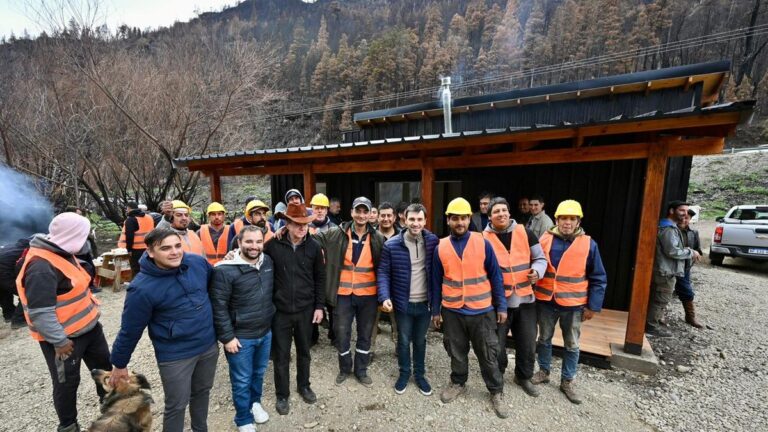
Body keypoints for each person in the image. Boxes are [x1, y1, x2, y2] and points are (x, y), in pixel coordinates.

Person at [110, 227, 218, 432]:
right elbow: (130, 330)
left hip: (208, 345)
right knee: (177, 405)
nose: (175, 252)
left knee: (202, 392)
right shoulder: (141, 288)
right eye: (166, 248)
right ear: (150, 252)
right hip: (175, 355)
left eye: (178, 246)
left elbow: (215, 288)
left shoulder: (197, 263)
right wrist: (119, 363)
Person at [16, 213, 111, 432]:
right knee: (67, 383)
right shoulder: (40, 266)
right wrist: (59, 341)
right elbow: (40, 312)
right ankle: (68, 425)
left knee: (104, 369)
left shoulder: (62, 251)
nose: (86, 240)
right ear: (71, 235)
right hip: (65, 339)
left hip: (90, 329)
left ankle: (110, 407)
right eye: (83, 235)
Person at [431, 198, 509, 419]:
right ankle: (458, 382)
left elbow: (496, 277)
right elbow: (435, 281)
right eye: (455, 218)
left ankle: (496, 390)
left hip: (481, 311)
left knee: (488, 353)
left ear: (469, 219)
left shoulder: (483, 243)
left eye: (463, 218)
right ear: (448, 220)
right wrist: (435, 310)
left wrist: (501, 306)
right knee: (456, 350)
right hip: (452, 311)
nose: (460, 222)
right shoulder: (441, 247)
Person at [531, 200, 607, 404]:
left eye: (572, 219)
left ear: (578, 221)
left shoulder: (589, 244)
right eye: (564, 218)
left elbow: (599, 277)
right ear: (556, 220)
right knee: (544, 339)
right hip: (546, 301)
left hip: (573, 305)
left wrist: (593, 306)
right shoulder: (544, 239)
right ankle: (544, 371)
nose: (567, 222)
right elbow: (534, 263)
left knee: (572, 344)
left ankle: (567, 380)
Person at [315, 197, 385, 387]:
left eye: (365, 211)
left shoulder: (378, 238)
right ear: (352, 212)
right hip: (343, 294)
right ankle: (345, 368)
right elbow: (312, 238)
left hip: (368, 296)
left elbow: (384, 267)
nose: (361, 215)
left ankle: (361, 370)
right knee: (341, 333)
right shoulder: (336, 234)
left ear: (370, 214)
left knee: (365, 333)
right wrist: (285, 230)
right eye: (358, 211)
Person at [210, 226, 275, 432]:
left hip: (265, 332)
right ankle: (243, 418)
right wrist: (227, 337)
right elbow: (218, 306)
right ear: (239, 243)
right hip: (240, 337)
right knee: (241, 379)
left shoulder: (267, 262)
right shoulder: (224, 270)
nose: (254, 246)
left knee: (259, 373)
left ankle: (255, 403)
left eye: (258, 242)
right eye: (249, 242)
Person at [483, 197, 548, 397]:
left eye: (504, 210)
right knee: (497, 344)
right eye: (496, 211)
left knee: (527, 343)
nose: (501, 214)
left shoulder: (525, 232)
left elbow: (540, 258)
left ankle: (523, 376)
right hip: (498, 302)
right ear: (489, 216)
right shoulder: (482, 239)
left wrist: (537, 271)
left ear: (509, 213)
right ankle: (498, 377)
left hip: (525, 300)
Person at [264, 203, 325, 415]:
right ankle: (282, 394)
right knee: (281, 355)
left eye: (305, 224)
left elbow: (320, 278)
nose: (302, 228)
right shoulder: (272, 246)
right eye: (297, 224)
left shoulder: (314, 247)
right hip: (280, 311)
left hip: (305, 310)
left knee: (304, 352)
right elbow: (252, 256)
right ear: (287, 224)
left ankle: (304, 386)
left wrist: (319, 306)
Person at [378, 203, 438, 396]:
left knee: (420, 340)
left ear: (425, 220)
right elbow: (383, 272)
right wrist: (384, 296)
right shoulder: (391, 245)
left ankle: (419, 375)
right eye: (412, 219)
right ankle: (404, 373)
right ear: (404, 219)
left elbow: (439, 271)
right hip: (403, 304)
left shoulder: (433, 242)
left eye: (419, 219)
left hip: (425, 304)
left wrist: (438, 304)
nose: (415, 223)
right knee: (403, 341)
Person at [646, 200, 700, 337]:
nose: (685, 214)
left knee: (658, 298)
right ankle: (651, 327)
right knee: (660, 299)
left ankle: (652, 324)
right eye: (682, 210)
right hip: (665, 271)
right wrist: (690, 252)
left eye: (687, 211)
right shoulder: (668, 229)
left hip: (664, 269)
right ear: (671, 211)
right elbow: (672, 251)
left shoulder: (669, 227)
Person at [675, 209, 704, 328]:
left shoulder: (693, 233)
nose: (684, 220)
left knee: (686, 291)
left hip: (685, 267)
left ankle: (690, 316)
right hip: (670, 265)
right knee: (664, 291)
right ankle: (659, 316)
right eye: (682, 217)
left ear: (690, 219)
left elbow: (698, 250)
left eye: (687, 218)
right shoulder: (671, 230)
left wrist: (696, 254)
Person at [118, 201, 156, 277]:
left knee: (137, 270)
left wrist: (129, 249)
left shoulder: (131, 219)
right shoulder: (149, 217)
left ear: (128, 208)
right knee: (150, 268)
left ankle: (138, 283)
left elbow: (129, 236)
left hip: (136, 250)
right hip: (150, 247)